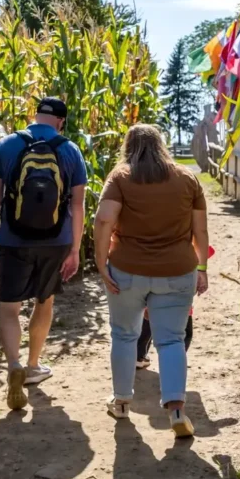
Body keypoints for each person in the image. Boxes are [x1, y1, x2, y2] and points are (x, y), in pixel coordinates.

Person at [94, 124, 209, 437]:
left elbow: (104, 219)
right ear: (162, 145)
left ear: (128, 146)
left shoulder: (120, 177)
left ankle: (120, 402)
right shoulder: (187, 178)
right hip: (177, 271)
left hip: (127, 270)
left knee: (123, 335)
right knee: (171, 339)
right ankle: (175, 409)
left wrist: (101, 261)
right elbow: (200, 231)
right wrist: (202, 268)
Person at [0, 97, 87, 411]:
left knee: (9, 307)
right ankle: (33, 365)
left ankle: (14, 365)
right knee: (44, 301)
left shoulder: (7, 145)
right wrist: (76, 249)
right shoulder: (69, 150)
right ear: (61, 122)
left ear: (33, 116)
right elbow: (77, 206)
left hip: (13, 239)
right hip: (56, 241)